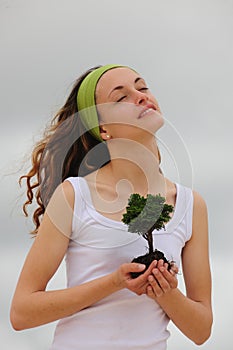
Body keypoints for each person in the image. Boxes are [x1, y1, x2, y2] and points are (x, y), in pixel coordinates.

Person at [10, 64, 213, 350]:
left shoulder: (191, 205)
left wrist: (166, 292)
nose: (140, 96)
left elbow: (201, 330)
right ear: (102, 128)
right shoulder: (74, 196)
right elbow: (21, 312)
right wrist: (115, 282)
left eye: (142, 88)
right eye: (121, 97)